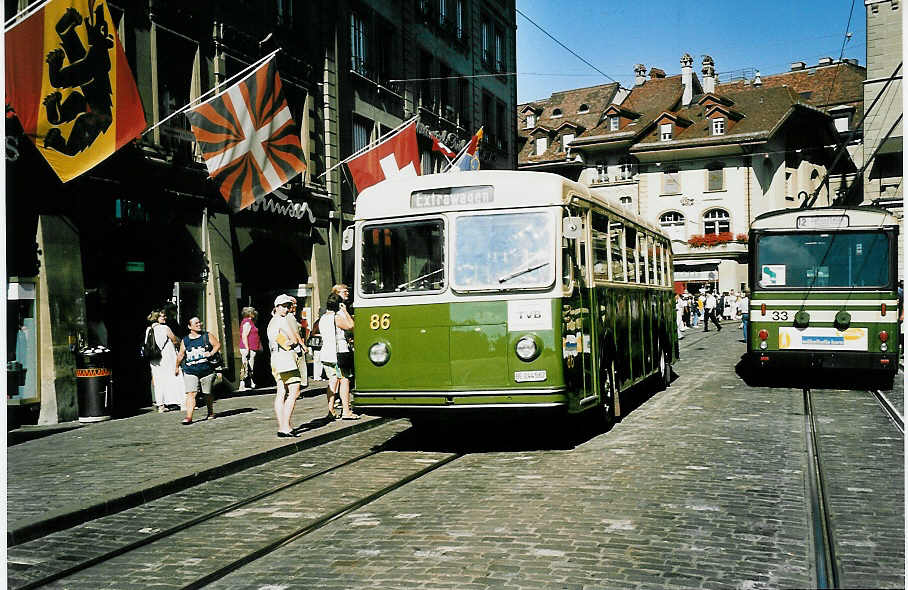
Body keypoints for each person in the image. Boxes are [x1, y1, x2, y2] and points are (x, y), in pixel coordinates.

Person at [268, 294, 304, 437]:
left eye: (288, 306)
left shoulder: (272, 322)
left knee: (281, 391)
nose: (286, 309)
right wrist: (293, 341)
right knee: (294, 391)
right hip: (286, 359)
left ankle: (282, 425)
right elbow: (294, 339)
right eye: (283, 306)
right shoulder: (282, 320)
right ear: (276, 307)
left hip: (275, 359)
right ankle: (285, 426)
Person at [319, 292, 358, 420]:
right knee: (344, 381)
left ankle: (330, 410)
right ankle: (346, 411)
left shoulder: (323, 318)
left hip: (326, 354)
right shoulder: (336, 318)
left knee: (332, 382)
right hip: (338, 354)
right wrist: (345, 311)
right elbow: (351, 326)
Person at [175, 316, 220, 424]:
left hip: (207, 370)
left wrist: (211, 353)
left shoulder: (206, 335)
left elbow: (217, 345)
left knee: (207, 393)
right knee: (191, 393)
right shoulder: (185, 340)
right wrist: (176, 366)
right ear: (189, 326)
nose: (199, 324)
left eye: (199, 322)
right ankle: (189, 417)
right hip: (191, 370)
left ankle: (210, 412)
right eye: (196, 323)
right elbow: (181, 354)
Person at [147, 309, 183, 412]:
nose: (165, 318)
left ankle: (161, 405)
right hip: (168, 357)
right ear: (157, 318)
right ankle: (180, 401)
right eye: (162, 316)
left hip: (155, 359)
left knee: (159, 381)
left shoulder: (148, 329)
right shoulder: (164, 328)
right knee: (175, 377)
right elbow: (174, 339)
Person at [286, 297, 310, 389]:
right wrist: (303, 345)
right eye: (293, 304)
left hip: (295, 345)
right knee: (299, 367)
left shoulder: (291, 316)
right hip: (296, 346)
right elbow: (295, 333)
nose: (295, 306)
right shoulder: (290, 317)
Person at [239, 307, 262, 390]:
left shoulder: (249, 322)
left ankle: (250, 382)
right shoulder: (247, 323)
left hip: (251, 347)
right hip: (248, 347)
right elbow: (244, 335)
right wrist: (247, 347)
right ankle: (242, 384)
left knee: (249, 366)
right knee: (246, 366)